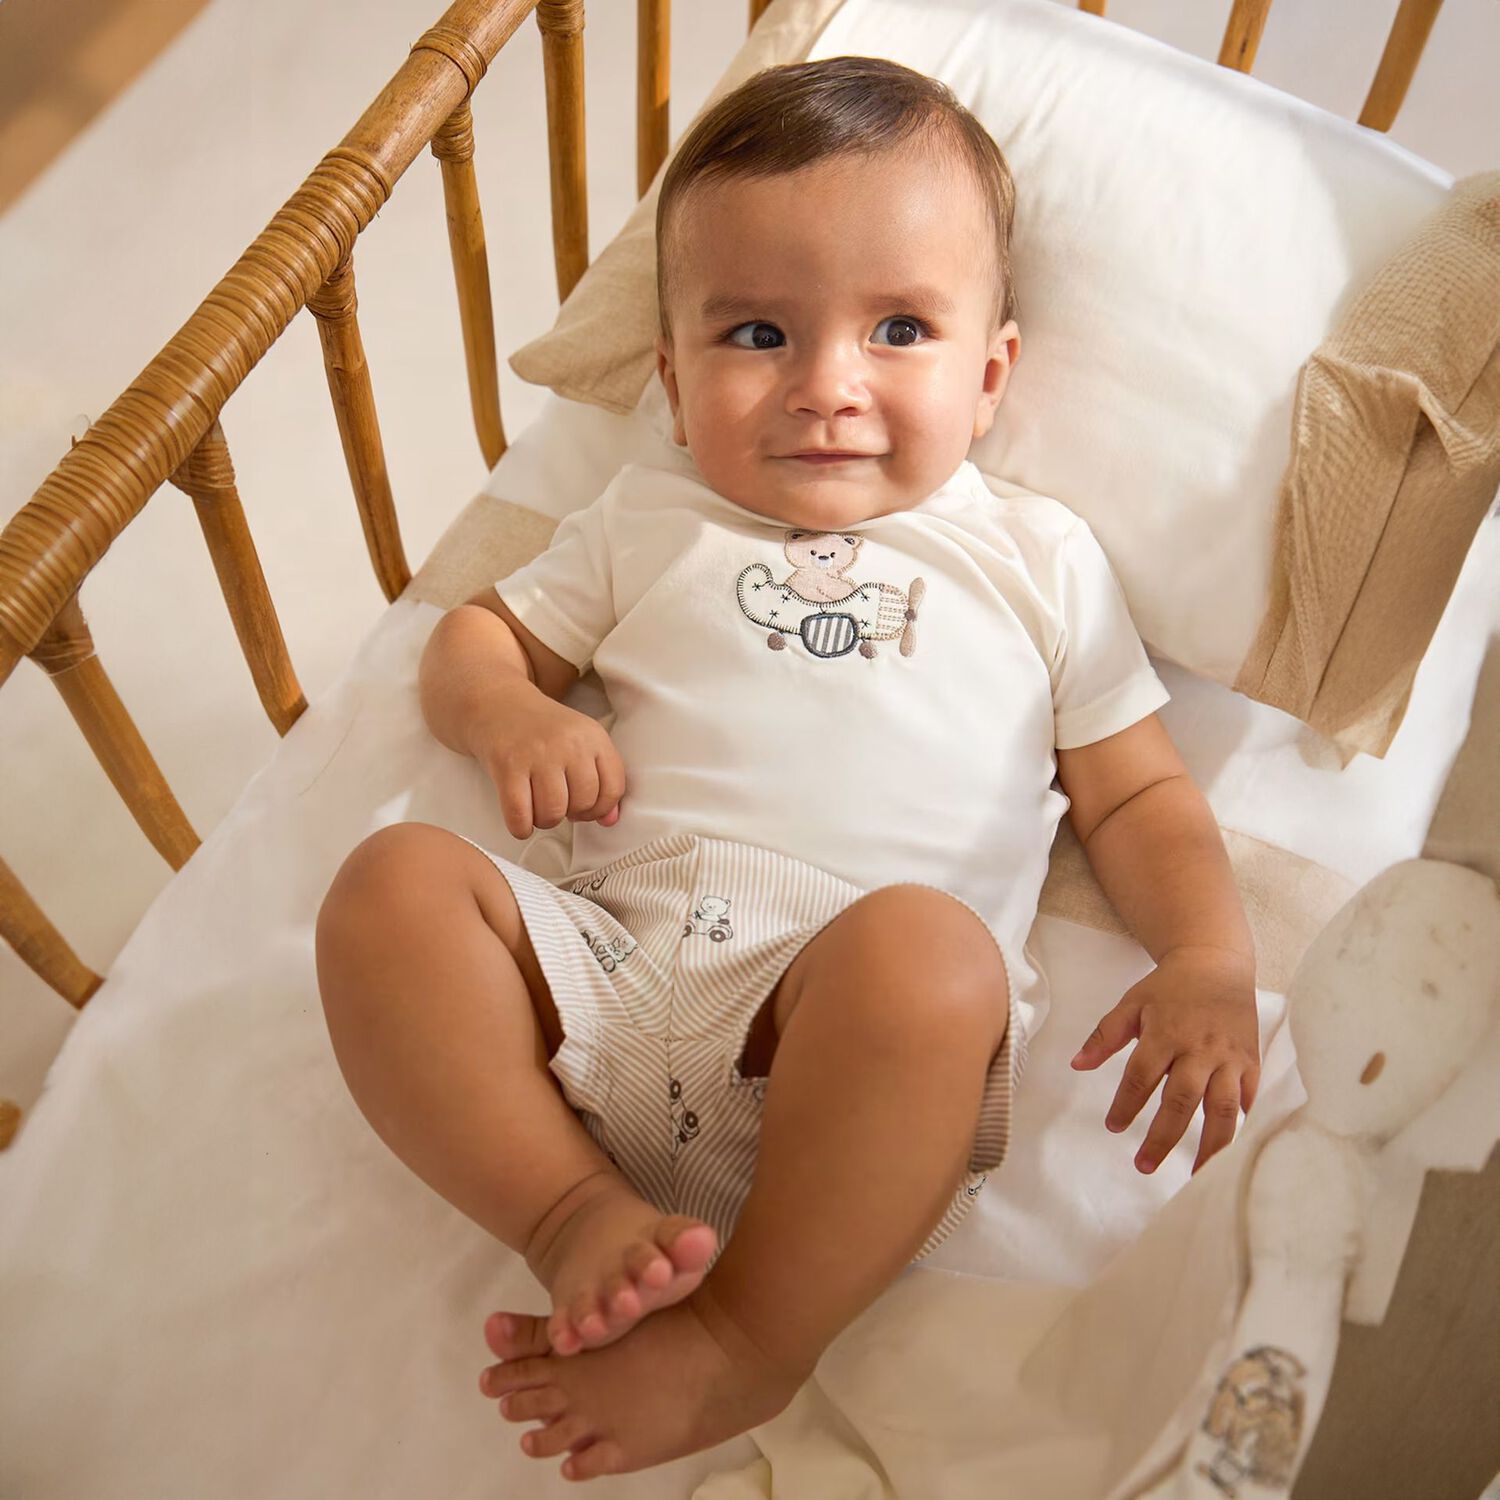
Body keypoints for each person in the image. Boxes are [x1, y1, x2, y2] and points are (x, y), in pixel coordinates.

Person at [314, 55, 1260, 1483]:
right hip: (612, 985)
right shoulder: (646, 516)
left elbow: (1137, 793)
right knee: (391, 890)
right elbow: (474, 643)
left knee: (932, 962)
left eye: (899, 329)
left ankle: (744, 1340)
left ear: (990, 372)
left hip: (858, 1051)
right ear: (671, 379)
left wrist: (1206, 955)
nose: (828, 387)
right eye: (758, 332)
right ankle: (572, 1212)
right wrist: (512, 717)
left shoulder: (1037, 559)